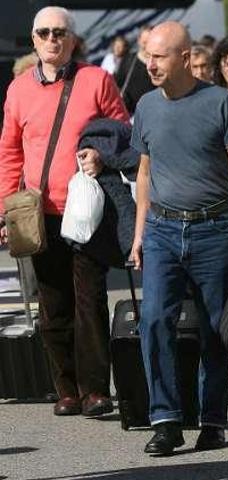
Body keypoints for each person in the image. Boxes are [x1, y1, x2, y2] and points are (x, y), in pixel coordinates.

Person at [129, 21, 228, 455]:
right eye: (147, 55)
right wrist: (137, 236)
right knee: (153, 321)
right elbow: (145, 173)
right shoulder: (147, 106)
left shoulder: (218, 103)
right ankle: (166, 419)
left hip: (215, 229)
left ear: (185, 58)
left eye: (159, 56)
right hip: (162, 231)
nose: (150, 64)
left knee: (214, 330)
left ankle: (213, 420)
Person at [0, 6, 129, 417]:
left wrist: (100, 155)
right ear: (34, 40)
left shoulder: (96, 79)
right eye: (44, 33)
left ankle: (95, 390)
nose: (52, 40)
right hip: (40, 214)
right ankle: (66, 388)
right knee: (53, 303)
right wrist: (5, 209)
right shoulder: (19, 88)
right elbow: (9, 152)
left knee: (89, 298)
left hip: (86, 209)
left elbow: (123, 132)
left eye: (60, 33)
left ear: (72, 39)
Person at [115, 25, 154, 115]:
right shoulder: (128, 60)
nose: (147, 46)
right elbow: (117, 84)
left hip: (152, 112)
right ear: (139, 41)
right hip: (130, 113)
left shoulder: (159, 63)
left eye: (150, 43)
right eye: (145, 42)